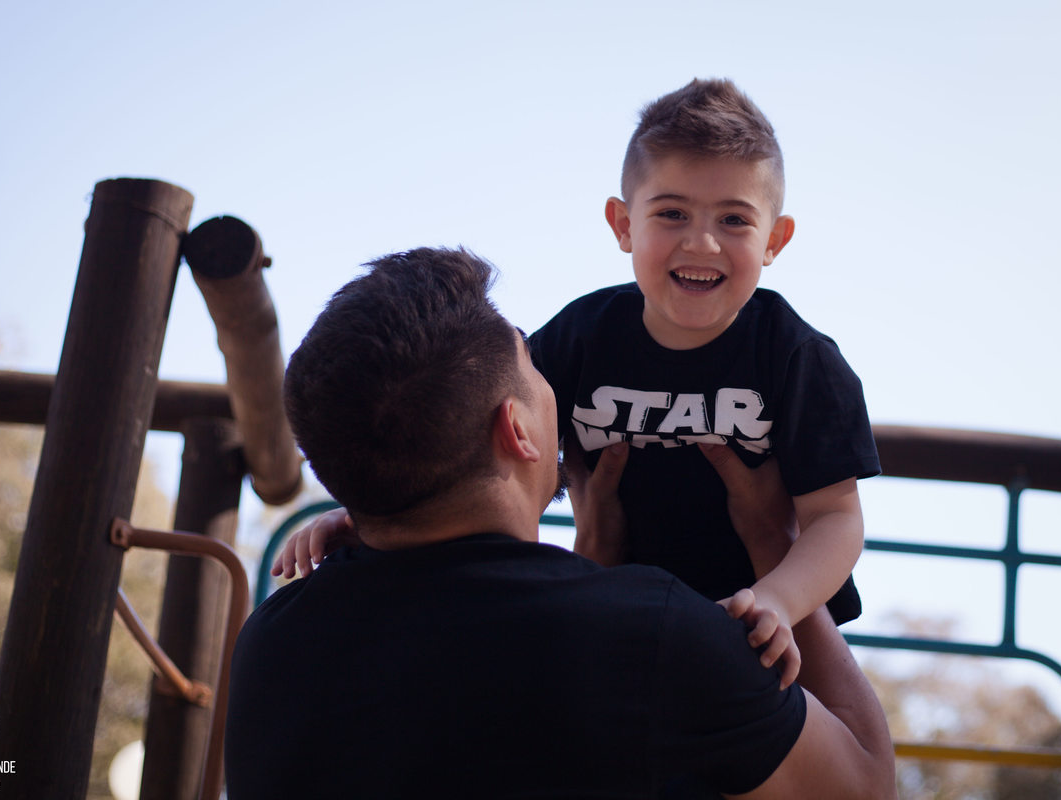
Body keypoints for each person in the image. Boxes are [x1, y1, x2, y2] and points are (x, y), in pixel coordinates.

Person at [226, 247, 896, 798]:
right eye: (531, 367)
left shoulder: (274, 644)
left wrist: (592, 559)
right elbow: (864, 786)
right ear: (516, 428)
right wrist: (773, 545)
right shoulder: (659, 637)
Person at [528, 78, 880, 643]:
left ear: (775, 240)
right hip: (611, 615)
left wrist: (777, 600)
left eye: (734, 220)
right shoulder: (577, 338)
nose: (702, 243)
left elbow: (836, 518)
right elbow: (487, 458)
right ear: (623, 224)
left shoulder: (798, 358)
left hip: (754, 630)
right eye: (673, 213)